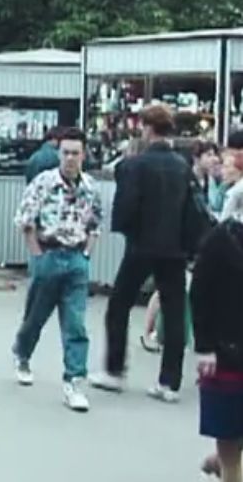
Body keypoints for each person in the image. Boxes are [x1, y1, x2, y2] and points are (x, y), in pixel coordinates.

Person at [90, 104, 192, 403]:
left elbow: (125, 208)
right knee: (174, 312)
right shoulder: (182, 165)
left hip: (141, 245)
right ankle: (169, 382)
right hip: (175, 247)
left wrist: (129, 231)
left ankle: (114, 371)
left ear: (147, 128)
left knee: (119, 305)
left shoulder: (135, 165)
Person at [12, 127, 103, 412]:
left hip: (76, 259)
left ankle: (74, 380)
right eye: (65, 153)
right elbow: (25, 220)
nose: (70, 158)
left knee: (75, 323)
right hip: (48, 254)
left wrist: (87, 252)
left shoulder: (90, 188)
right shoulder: (43, 183)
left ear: (84, 155)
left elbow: (95, 224)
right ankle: (22, 353)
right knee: (35, 317)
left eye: (75, 153)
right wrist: (37, 255)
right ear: (58, 153)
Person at [141, 139, 220, 353]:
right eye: (209, 155)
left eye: (215, 155)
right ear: (197, 157)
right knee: (166, 288)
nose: (214, 159)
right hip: (183, 240)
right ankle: (149, 331)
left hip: (199, 240)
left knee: (182, 287)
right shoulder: (188, 177)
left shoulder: (209, 181)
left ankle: (171, 333)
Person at [192, 184, 243, 482]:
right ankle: (226, 463)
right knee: (229, 435)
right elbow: (199, 294)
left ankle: (223, 461)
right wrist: (205, 346)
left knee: (233, 441)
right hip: (227, 353)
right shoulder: (220, 241)